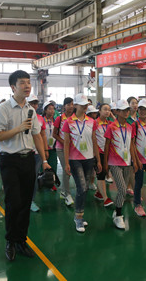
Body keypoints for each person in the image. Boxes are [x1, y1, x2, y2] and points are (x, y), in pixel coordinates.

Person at [0, 70, 51, 261]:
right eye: (22, 83)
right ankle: (10, 240)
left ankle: (21, 240)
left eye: (28, 82)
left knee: (25, 202)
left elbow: (36, 135)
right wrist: (18, 129)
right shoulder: (3, 109)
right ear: (12, 87)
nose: (27, 86)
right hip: (10, 161)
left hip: (28, 159)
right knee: (13, 202)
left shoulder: (31, 110)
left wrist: (45, 161)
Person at [63, 94, 102, 233]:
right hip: (75, 160)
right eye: (82, 104)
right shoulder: (68, 122)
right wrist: (66, 162)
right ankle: (78, 217)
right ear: (75, 106)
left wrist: (97, 159)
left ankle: (79, 215)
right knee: (82, 187)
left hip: (89, 159)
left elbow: (94, 141)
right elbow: (66, 143)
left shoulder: (92, 121)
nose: (85, 106)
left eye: (86, 104)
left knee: (84, 189)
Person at [103, 99, 138, 230]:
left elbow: (131, 145)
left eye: (127, 110)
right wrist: (106, 164)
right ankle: (118, 215)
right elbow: (107, 146)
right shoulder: (111, 127)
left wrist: (134, 161)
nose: (126, 112)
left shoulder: (130, 127)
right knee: (123, 189)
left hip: (127, 163)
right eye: (123, 110)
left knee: (122, 192)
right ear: (116, 111)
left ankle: (117, 210)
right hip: (114, 163)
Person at [27, 94, 48, 212]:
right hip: (24, 152)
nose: (34, 106)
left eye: (35, 103)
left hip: (37, 153)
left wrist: (45, 150)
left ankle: (31, 201)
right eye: (31, 103)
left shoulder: (40, 118)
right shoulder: (23, 116)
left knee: (33, 176)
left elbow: (43, 135)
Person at [53, 97, 75, 206]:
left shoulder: (75, 118)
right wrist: (63, 141)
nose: (71, 106)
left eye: (72, 104)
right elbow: (54, 134)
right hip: (61, 148)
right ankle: (68, 194)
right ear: (64, 106)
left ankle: (63, 190)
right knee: (67, 170)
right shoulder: (59, 119)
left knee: (69, 171)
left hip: (73, 149)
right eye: (69, 104)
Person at [93, 103, 114, 207]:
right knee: (101, 173)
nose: (107, 111)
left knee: (105, 171)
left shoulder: (110, 123)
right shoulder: (94, 123)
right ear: (99, 111)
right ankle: (105, 198)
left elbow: (117, 124)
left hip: (108, 152)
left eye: (109, 110)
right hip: (98, 152)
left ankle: (98, 192)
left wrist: (113, 116)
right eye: (105, 109)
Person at [43, 100, 59, 191]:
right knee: (43, 166)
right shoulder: (41, 120)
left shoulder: (56, 121)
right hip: (43, 148)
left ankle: (52, 183)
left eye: (53, 109)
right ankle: (42, 181)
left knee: (53, 165)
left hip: (53, 147)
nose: (51, 111)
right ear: (45, 110)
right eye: (49, 109)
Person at [86, 105, 99, 191]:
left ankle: (91, 182)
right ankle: (86, 183)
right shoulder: (87, 123)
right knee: (87, 169)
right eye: (93, 113)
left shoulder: (95, 122)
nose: (95, 114)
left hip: (94, 147)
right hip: (88, 147)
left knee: (93, 169)